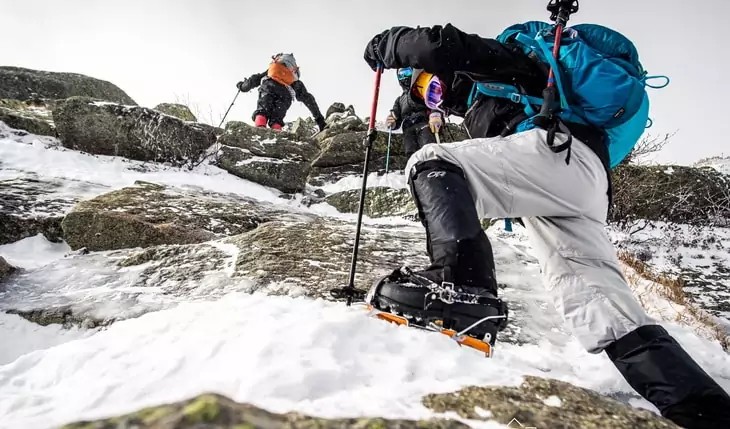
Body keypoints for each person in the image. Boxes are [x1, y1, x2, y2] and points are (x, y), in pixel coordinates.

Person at [362, 23, 730, 429]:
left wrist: (395, 43)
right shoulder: (483, 99)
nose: (438, 96)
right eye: (429, 96)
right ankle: (703, 411)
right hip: (580, 181)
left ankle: (463, 285)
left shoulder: (500, 65)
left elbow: (443, 46)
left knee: (433, 161)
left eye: (432, 85)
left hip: (557, 154)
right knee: (599, 306)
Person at [236, 53, 326, 132]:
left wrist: (242, 86)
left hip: (269, 87)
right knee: (277, 118)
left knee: (263, 110)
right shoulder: (294, 80)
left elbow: (254, 80)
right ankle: (276, 135)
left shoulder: (272, 72)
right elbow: (308, 99)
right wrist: (320, 120)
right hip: (286, 95)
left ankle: (259, 130)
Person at [386, 67, 445, 157]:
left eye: (407, 72)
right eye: (401, 75)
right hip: (408, 128)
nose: (404, 77)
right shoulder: (399, 100)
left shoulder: (422, 88)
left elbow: (435, 100)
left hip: (424, 122)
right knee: (411, 152)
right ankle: (415, 169)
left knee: (428, 148)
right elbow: (396, 117)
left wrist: (435, 114)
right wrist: (392, 122)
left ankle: (434, 167)